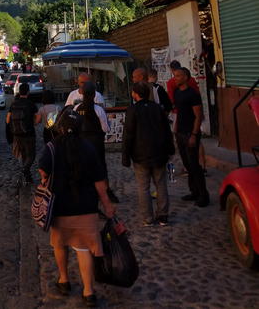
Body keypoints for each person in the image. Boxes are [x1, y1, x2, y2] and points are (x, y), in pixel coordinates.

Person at [38, 109, 115, 307]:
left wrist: (46, 180)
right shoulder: (88, 148)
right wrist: (107, 204)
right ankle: (88, 292)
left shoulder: (52, 147)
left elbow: (43, 170)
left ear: (60, 127)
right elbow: (100, 182)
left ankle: (64, 280)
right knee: (83, 249)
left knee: (60, 245)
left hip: (60, 207)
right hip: (86, 207)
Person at [122, 81, 175, 226]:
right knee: (161, 184)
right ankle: (163, 216)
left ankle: (148, 218)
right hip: (159, 153)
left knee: (143, 187)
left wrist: (125, 155)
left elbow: (128, 134)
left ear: (135, 94)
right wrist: (170, 149)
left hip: (140, 155)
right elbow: (166, 131)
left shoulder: (132, 110)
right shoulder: (157, 108)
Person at [74, 83, 119, 204]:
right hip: (96, 144)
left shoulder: (76, 109)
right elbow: (105, 129)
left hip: (81, 144)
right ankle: (105, 192)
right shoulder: (98, 110)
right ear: (94, 95)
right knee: (101, 169)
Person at [173, 68, 209, 207]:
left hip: (190, 133)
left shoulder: (192, 94)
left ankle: (203, 195)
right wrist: (176, 128)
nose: (176, 78)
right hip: (180, 132)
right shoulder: (177, 93)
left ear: (186, 77)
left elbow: (198, 115)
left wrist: (194, 134)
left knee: (194, 164)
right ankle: (194, 191)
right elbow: (179, 112)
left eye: (178, 76)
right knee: (187, 164)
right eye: (175, 76)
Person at [6, 83, 38, 184]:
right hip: (29, 133)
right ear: (28, 92)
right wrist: (33, 123)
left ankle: (28, 178)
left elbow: (7, 120)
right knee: (31, 155)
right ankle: (25, 169)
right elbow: (37, 119)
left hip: (16, 134)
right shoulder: (30, 103)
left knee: (24, 155)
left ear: (19, 92)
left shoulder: (14, 103)